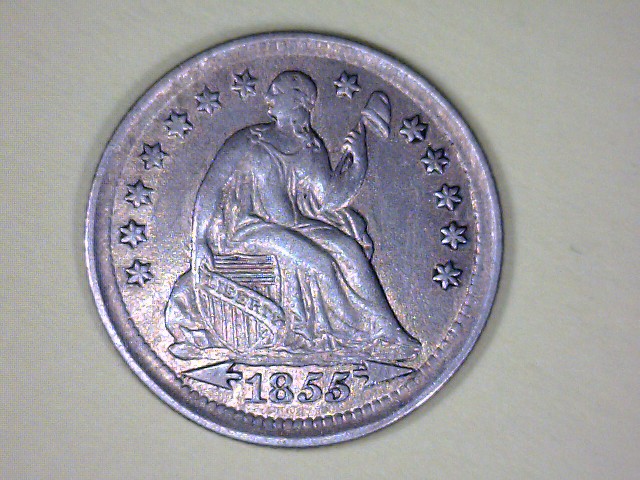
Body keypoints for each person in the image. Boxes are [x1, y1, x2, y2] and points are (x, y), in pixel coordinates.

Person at [165, 71, 419, 362]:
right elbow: (211, 188)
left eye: (276, 92)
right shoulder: (248, 141)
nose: (268, 98)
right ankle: (359, 336)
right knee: (320, 263)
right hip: (248, 230)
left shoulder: (310, 146)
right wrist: (199, 240)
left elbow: (330, 200)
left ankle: (388, 332)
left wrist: (358, 161)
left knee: (349, 250)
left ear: (298, 100)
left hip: (296, 225)